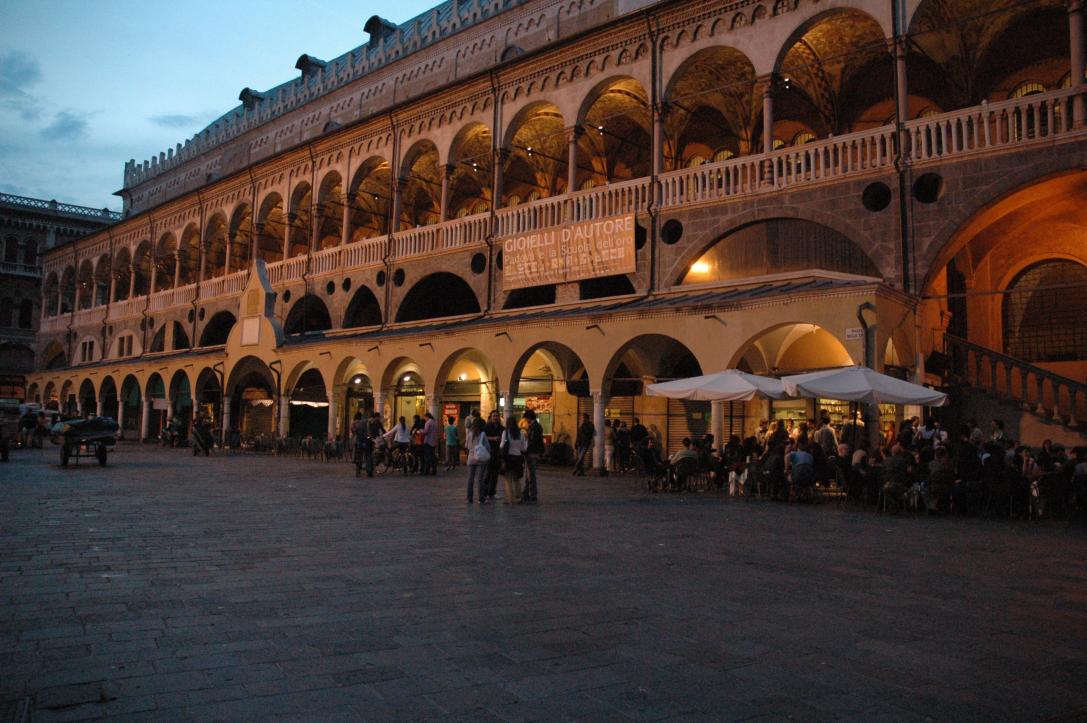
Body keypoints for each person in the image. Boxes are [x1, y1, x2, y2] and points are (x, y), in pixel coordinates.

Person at [500, 416, 528, 504]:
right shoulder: (521, 433)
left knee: (507, 480)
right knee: (517, 479)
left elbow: (501, 446)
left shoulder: (505, 433)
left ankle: (510, 499)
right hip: (518, 458)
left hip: (508, 458)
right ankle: (518, 497)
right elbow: (524, 448)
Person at [522, 409, 544, 503]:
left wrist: (526, 450)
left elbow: (533, 441)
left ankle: (532, 495)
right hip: (532, 452)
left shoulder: (534, 427)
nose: (525, 420)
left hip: (532, 453)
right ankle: (526, 494)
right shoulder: (534, 426)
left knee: (531, 475)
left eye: (526, 418)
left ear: (529, 418)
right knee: (528, 475)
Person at [465, 416, 488, 503]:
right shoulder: (483, 434)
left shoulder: (470, 434)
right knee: (480, 478)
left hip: (471, 458)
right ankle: (481, 498)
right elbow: (487, 446)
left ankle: (469, 498)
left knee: (470, 478)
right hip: (480, 458)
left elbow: (467, 446)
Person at [483, 410, 504, 500]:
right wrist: (493, 438)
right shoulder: (487, 427)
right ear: (491, 417)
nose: (495, 418)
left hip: (498, 452)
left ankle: (492, 492)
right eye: (494, 416)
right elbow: (483, 438)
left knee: (495, 473)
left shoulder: (502, 428)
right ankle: (484, 492)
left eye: (496, 416)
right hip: (489, 451)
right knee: (488, 473)